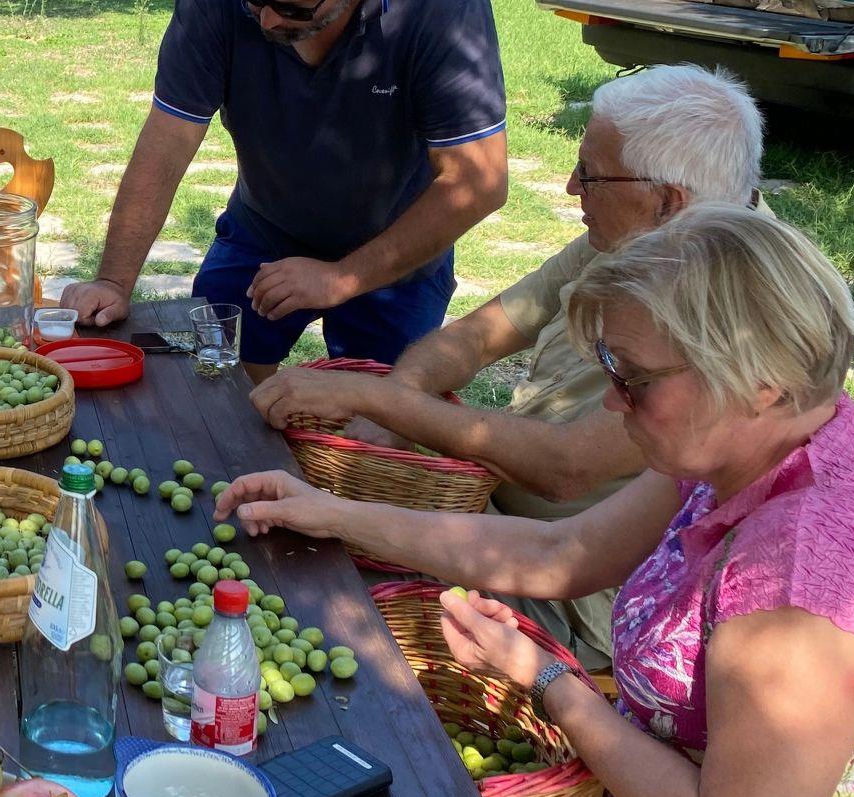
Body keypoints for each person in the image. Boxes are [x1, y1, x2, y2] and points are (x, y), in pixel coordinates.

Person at [216, 206, 854, 797]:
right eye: (611, 367)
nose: (612, 399)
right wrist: (333, 513)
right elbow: (563, 551)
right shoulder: (750, 445)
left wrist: (548, 684)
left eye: (634, 378)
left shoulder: (797, 583)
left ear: (758, 379)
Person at [249, 63, 767, 668]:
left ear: (668, 201)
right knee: (284, 538)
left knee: (314, 596)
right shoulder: (648, 235)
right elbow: (475, 337)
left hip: (581, 597)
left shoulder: (739, 316)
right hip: (507, 527)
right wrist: (400, 399)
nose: (570, 187)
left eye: (590, 175)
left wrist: (379, 400)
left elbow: (565, 471)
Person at [59, 0, 508, 377]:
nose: (269, 20)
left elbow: (479, 182)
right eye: (255, 0)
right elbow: (167, 140)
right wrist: (113, 282)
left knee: (380, 411)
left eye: (294, 10)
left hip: (397, 245)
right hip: (264, 229)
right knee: (216, 384)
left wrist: (342, 277)